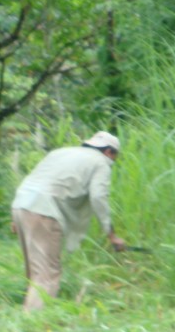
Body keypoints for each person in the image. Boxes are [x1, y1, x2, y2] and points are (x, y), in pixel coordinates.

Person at [11, 131, 128, 311]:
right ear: (109, 152)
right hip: (45, 210)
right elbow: (98, 197)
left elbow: (34, 179)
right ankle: (33, 323)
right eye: (115, 157)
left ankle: (28, 314)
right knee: (47, 274)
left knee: (35, 271)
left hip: (21, 204)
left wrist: (16, 218)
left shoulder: (60, 153)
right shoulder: (101, 163)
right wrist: (111, 234)